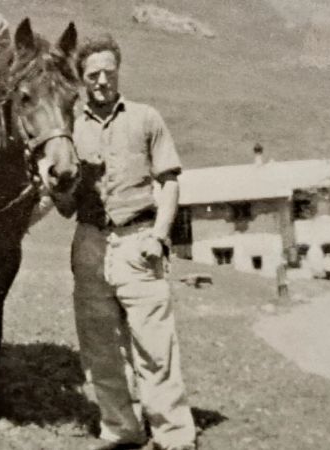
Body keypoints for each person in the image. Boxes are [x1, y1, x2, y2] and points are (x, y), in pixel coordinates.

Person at [65, 34, 197, 450]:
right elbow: (65, 202)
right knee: (99, 347)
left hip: (139, 240)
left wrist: (159, 236)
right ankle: (120, 428)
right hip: (89, 243)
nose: (101, 81)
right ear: (82, 79)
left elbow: (170, 182)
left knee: (154, 346)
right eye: (92, 75)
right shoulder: (68, 126)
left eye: (108, 72)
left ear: (118, 70)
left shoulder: (145, 118)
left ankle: (173, 435)